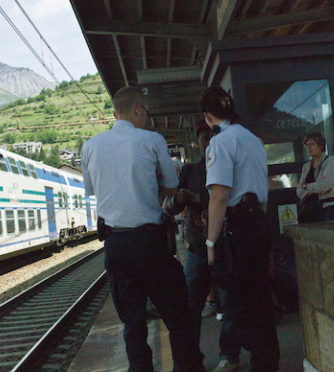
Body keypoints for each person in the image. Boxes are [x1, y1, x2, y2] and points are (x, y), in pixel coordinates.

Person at [82, 86, 202, 372]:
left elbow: (90, 189)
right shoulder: (151, 140)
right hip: (149, 243)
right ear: (138, 109)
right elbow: (171, 187)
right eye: (146, 112)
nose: (147, 118)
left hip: (115, 246)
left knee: (132, 324)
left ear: (115, 113)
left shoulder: (90, 146)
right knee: (176, 314)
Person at [203, 87, 280, 372]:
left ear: (208, 117)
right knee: (260, 299)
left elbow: (219, 196)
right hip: (259, 222)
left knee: (238, 298)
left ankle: (243, 358)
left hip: (238, 228)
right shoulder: (254, 140)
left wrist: (211, 244)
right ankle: (267, 362)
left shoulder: (220, 143)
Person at [164, 122, 232, 366]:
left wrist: (195, 197)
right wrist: (178, 199)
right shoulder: (190, 171)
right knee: (190, 308)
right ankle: (192, 359)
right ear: (198, 143)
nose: (208, 143)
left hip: (225, 247)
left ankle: (228, 355)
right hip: (197, 249)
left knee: (230, 306)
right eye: (204, 139)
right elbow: (172, 205)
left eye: (211, 139)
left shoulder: (228, 167)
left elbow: (222, 198)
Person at [296, 132, 334, 222]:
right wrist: (315, 186)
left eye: (312, 144)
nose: (308, 147)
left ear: (321, 145)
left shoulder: (331, 161)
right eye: (306, 145)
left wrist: (307, 186)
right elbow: (299, 190)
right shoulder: (306, 166)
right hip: (310, 209)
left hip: (329, 207)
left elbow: (325, 185)